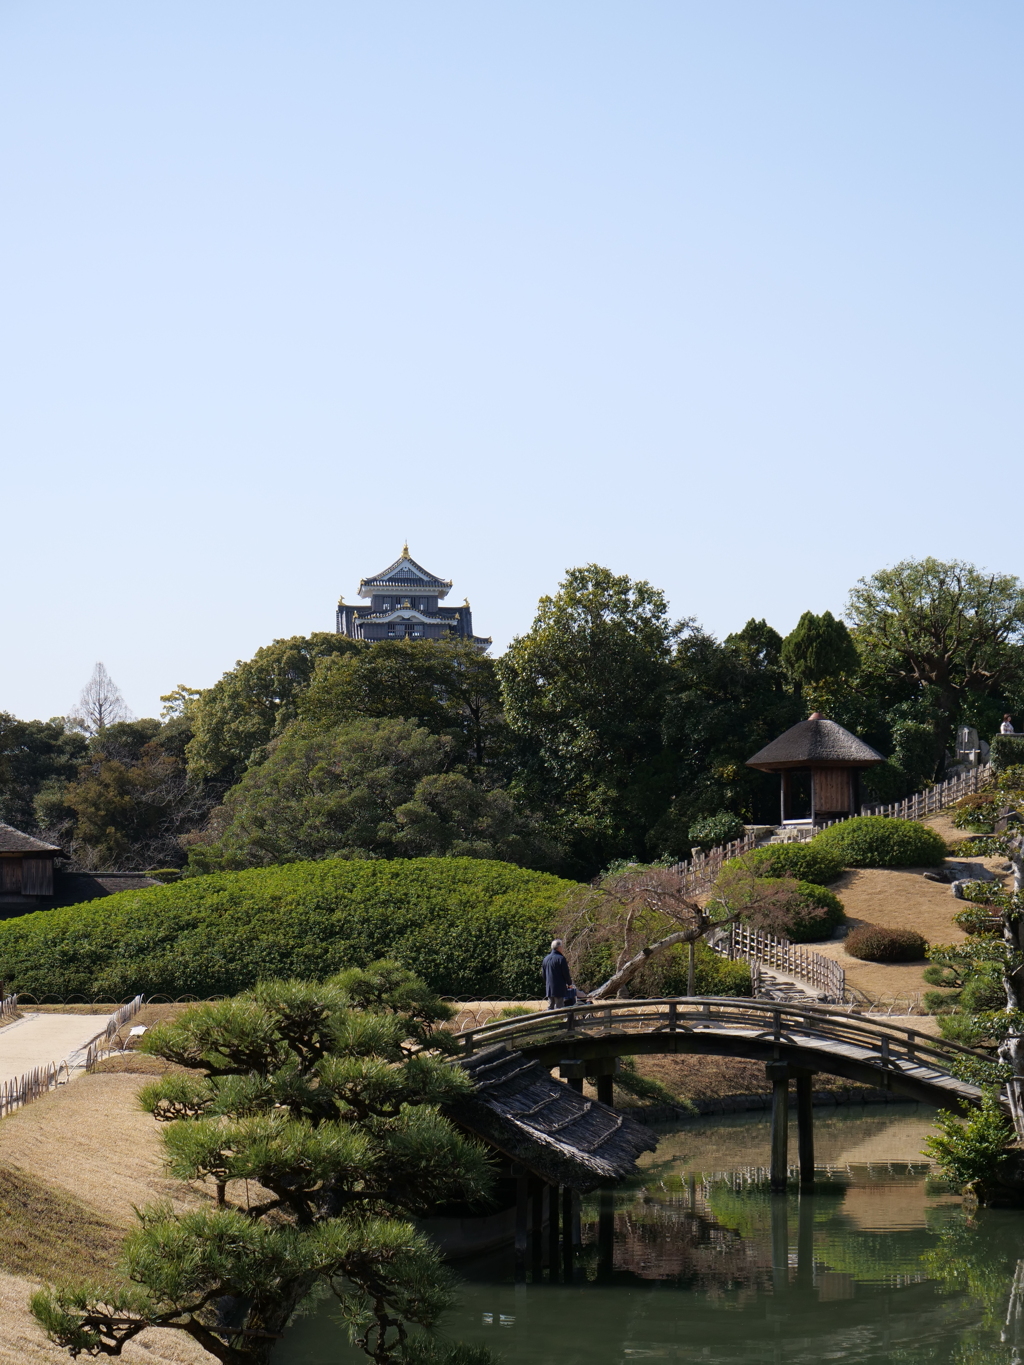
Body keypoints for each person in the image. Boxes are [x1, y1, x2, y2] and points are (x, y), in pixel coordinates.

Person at [541, 938, 574, 1010]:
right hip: (559, 988)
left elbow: (543, 974)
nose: (562, 948)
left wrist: (548, 983)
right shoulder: (561, 958)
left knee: (550, 1007)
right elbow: (565, 973)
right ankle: (559, 1021)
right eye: (562, 946)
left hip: (549, 988)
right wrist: (569, 983)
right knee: (559, 1008)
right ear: (559, 947)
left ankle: (550, 1020)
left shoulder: (546, 959)